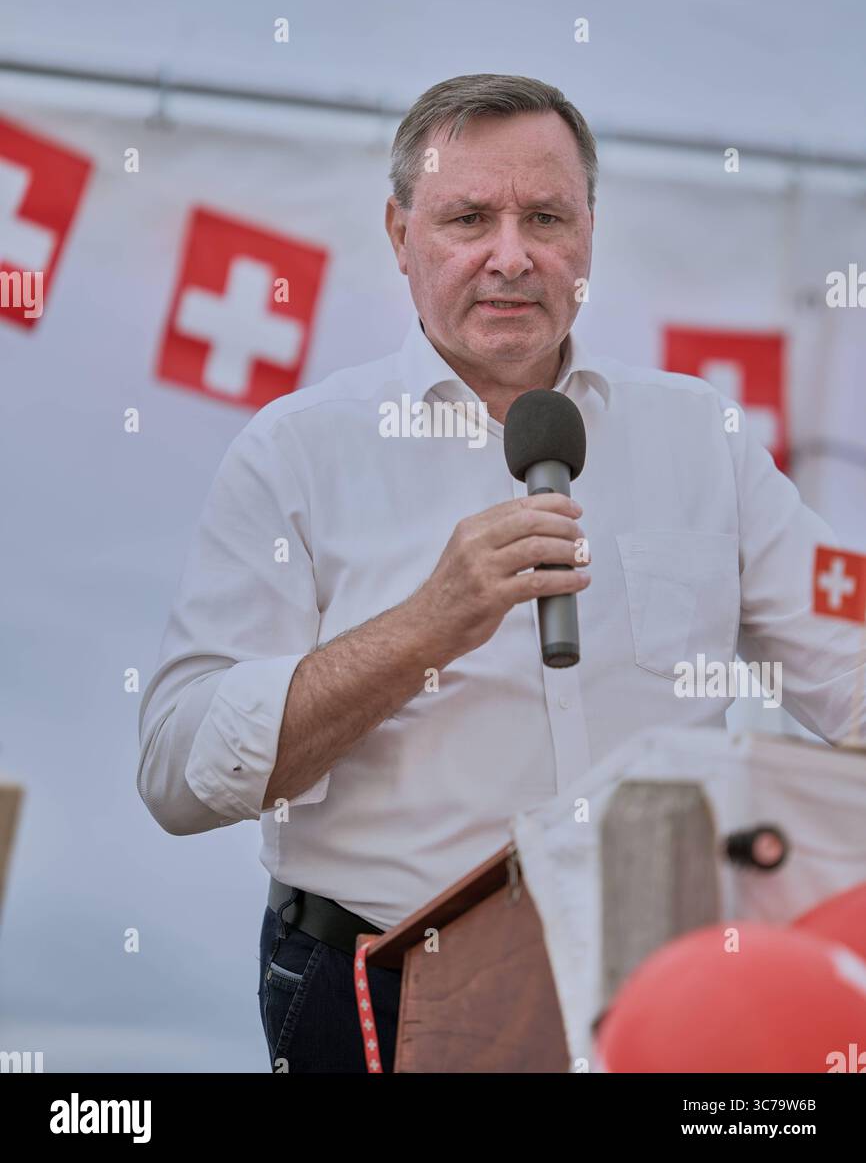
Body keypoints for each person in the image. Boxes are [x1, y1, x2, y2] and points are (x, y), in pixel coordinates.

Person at [138, 73, 862, 1074]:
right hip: (381, 981)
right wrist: (425, 626)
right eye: (467, 216)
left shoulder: (700, 433)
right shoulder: (296, 451)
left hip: (653, 988)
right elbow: (176, 770)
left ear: (589, 238)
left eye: (545, 217)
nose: (511, 255)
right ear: (399, 235)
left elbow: (848, 655)